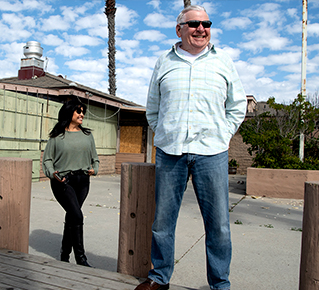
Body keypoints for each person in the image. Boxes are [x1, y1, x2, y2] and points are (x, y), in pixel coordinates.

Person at [135, 5, 247, 290]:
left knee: (218, 225)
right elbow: (153, 108)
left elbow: (237, 106)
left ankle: (220, 284)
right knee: (163, 222)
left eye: (206, 23)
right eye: (194, 24)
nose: (201, 28)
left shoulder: (223, 62)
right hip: (170, 152)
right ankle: (159, 278)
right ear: (179, 30)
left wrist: (222, 134)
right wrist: (163, 133)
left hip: (212, 153)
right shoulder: (164, 61)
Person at [42, 99, 99, 267]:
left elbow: (95, 159)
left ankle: (64, 254)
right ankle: (81, 258)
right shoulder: (57, 136)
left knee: (72, 216)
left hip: (82, 181)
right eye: (78, 111)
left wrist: (94, 169)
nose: (82, 114)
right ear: (69, 113)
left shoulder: (88, 135)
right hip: (63, 182)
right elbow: (47, 160)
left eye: (83, 112)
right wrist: (53, 174)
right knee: (77, 215)